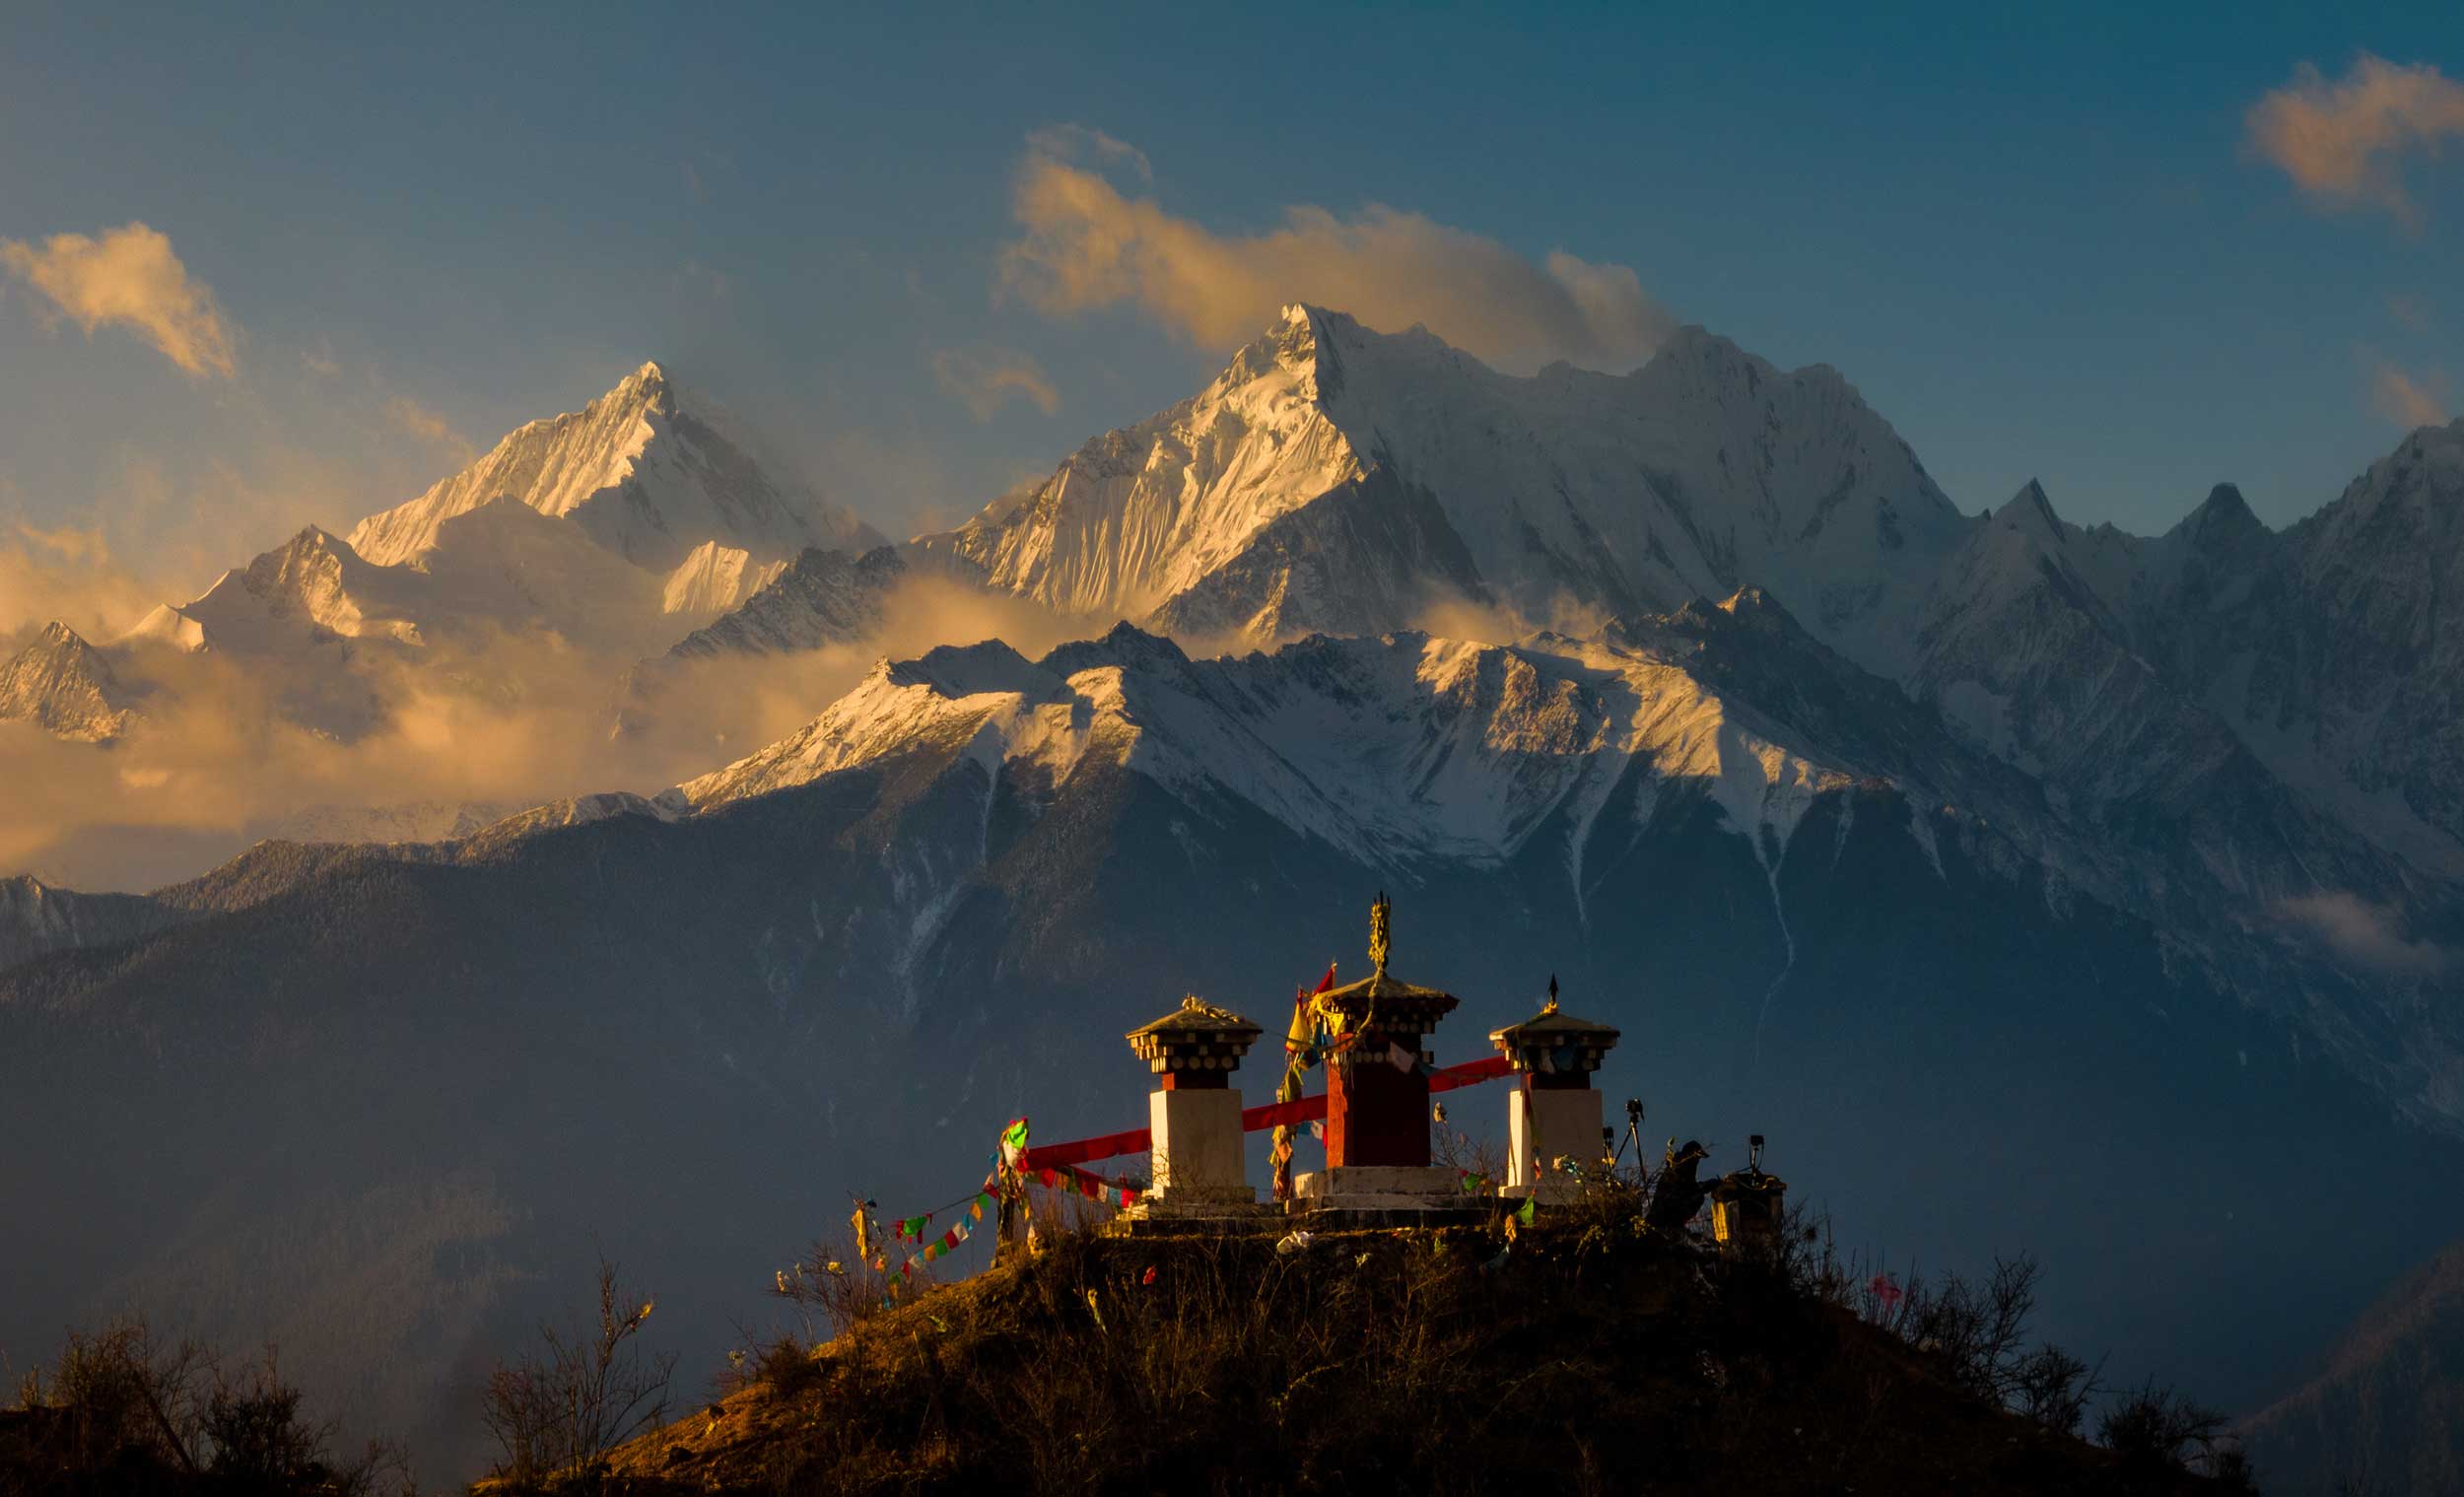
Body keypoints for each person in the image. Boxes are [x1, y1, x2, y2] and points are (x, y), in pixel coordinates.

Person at [1645, 1138, 1712, 1234]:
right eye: (1697, 1156)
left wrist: (1704, 1186)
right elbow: (1684, 1188)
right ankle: (1675, 1225)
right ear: (1691, 1154)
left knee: (1698, 1195)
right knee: (1698, 1197)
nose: (1698, 1160)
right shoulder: (1679, 1166)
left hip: (1662, 1214)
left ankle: (1675, 1225)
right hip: (1663, 1214)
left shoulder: (1681, 1166)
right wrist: (1703, 1187)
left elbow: (1688, 1186)